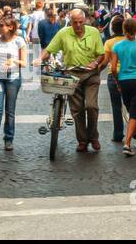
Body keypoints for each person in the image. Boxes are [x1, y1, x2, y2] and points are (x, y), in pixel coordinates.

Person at [37, 9, 108, 153]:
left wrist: (95, 63)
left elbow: (101, 54)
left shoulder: (93, 32)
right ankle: (82, 140)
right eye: (75, 22)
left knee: (91, 106)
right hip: (72, 75)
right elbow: (49, 49)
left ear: (85, 20)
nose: (78, 25)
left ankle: (93, 136)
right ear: (70, 21)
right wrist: (39, 58)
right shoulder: (63, 33)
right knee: (77, 111)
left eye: (80, 22)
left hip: (91, 75)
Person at [106, 18, 136, 157]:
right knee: (134, 113)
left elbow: (114, 68)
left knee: (134, 112)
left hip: (123, 82)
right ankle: (127, 144)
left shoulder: (117, 47)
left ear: (123, 29)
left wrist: (117, 82)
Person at [0, 15, 28, 153]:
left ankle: (8, 139)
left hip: (12, 78)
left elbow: (25, 63)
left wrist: (13, 61)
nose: (0, 28)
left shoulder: (19, 41)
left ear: (11, 27)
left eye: (3, 25)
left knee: (10, 111)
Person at [103, 16, 129, 143]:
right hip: (128, 75)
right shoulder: (129, 41)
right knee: (131, 106)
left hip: (113, 76)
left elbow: (105, 61)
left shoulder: (109, 43)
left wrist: (95, 70)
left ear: (112, 29)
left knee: (116, 106)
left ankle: (118, 134)